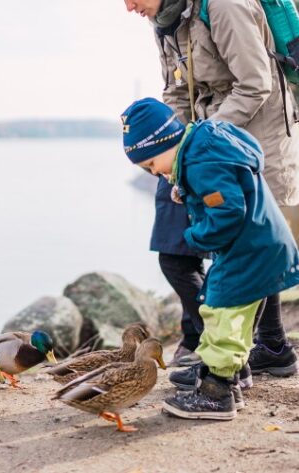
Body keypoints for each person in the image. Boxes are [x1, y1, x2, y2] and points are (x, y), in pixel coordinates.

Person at [123, 0, 299, 375]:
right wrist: (168, 154)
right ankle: (252, 347)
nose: (128, 6)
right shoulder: (166, 19)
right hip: (201, 143)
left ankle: (239, 360)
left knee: (251, 243)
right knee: (181, 249)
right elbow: (175, 92)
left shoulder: (223, 5)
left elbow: (255, 84)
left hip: (255, 137)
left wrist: (200, 143)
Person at [121, 97, 299, 419]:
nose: (155, 174)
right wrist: (186, 189)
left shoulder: (201, 162)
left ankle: (217, 391)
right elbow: (223, 191)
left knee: (221, 313)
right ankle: (225, 375)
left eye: (151, 165)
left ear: (164, 141)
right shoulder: (203, 147)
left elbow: (228, 211)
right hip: (258, 244)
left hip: (248, 251)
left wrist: (196, 237)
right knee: (235, 316)